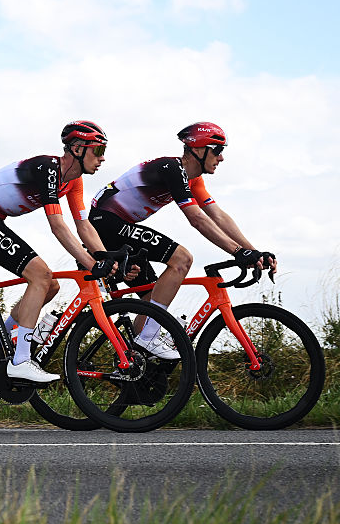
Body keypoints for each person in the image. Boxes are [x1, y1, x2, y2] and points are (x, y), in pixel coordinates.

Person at [88, 122, 275, 358]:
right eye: (217, 150)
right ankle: (147, 339)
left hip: (117, 225)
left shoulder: (192, 179)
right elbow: (196, 218)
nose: (222, 158)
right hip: (104, 222)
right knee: (181, 259)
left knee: (150, 299)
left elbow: (217, 215)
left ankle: (136, 360)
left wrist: (253, 252)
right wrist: (238, 252)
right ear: (198, 149)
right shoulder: (172, 169)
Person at [0, 121, 124, 382]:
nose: (102, 158)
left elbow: (82, 225)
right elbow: (58, 225)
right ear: (78, 148)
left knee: (51, 285)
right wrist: (91, 264)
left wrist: (105, 257)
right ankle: (21, 360)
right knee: (40, 275)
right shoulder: (49, 168)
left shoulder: (74, 181)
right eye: (98, 150)